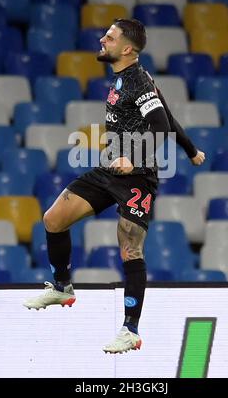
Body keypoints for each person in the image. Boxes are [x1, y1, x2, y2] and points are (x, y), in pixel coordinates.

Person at [24, 19, 205, 354]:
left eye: (109, 36)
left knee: (130, 248)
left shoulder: (137, 79)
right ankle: (62, 286)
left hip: (137, 176)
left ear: (127, 49)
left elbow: (161, 126)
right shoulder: (126, 78)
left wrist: (134, 162)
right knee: (53, 219)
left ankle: (130, 330)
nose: (102, 39)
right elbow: (168, 116)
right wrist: (192, 150)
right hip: (110, 169)